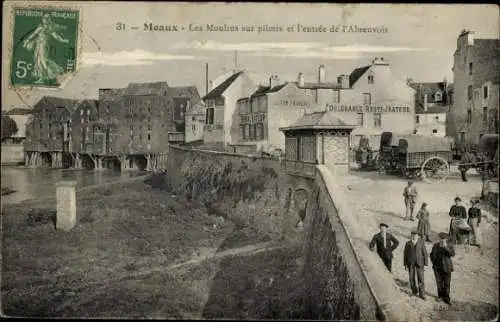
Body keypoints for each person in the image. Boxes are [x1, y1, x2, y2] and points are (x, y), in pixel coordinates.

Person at [430, 232, 455, 305]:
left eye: (443, 239)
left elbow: (452, 254)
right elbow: (431, 255)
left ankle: (446, 298)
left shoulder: (449, 245)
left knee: (447, 284)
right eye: (441, 238)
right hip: (437, 268)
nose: (442, 240)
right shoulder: (435, 245)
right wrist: (434, 264)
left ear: (446, 239)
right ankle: (440, 296)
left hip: (447, 268)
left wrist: (445, 247)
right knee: (439, 283)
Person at [404, 230, 429, 299]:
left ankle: (422, 293)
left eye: (416, 235)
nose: (414, 236)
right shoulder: (408, 243)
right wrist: (405, 264)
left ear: (418, 236)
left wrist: (425, 264)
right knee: (411, 278)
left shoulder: (421, 243)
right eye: (413, 235)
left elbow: (425, 253)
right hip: (410, 263)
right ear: (411, 235)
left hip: (419, 263)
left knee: (421, 278)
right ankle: (414, 291)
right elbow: (405, 254)